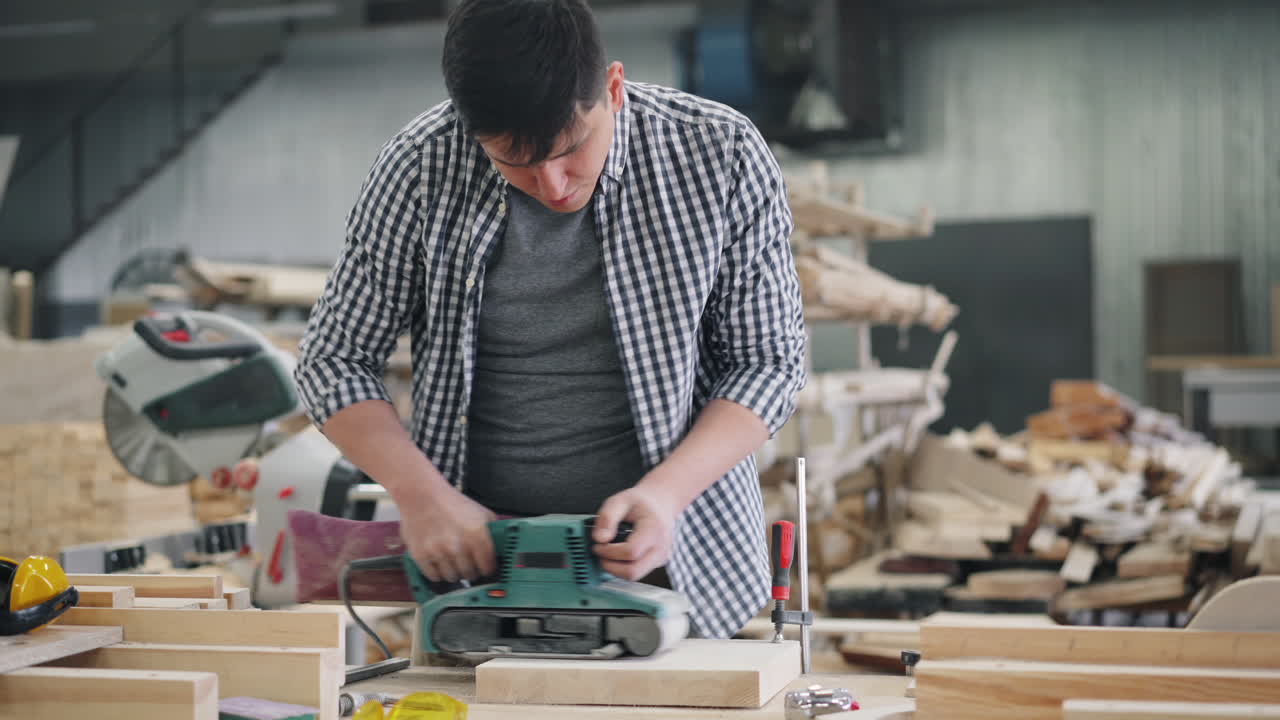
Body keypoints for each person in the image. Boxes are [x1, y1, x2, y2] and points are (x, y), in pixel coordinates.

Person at [295, 0, 805, 639]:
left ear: (613, 89)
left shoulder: (718, 154)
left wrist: (668, 494)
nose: (553, 184)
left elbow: (768, 362)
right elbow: (333, 360)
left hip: (678, 553)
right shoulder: (419, 167)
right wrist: (420, 494)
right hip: (480, 568)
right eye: (513, 162)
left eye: (571, 149)